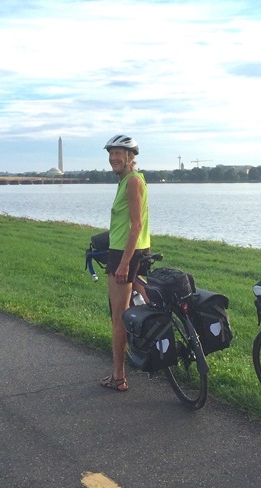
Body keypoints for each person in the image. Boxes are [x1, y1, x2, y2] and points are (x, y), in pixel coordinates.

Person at [100, 135, 150, 392]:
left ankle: (118, 377)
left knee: (119, 316)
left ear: (130, 157)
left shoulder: (131, 182)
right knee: (142, 304)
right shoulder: (131, 180)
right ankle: (150, 348)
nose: (113, 158)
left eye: (118, 153)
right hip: (137, 250)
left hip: (124, 254)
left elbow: (136, 225)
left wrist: (123, 264)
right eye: (111, 154)